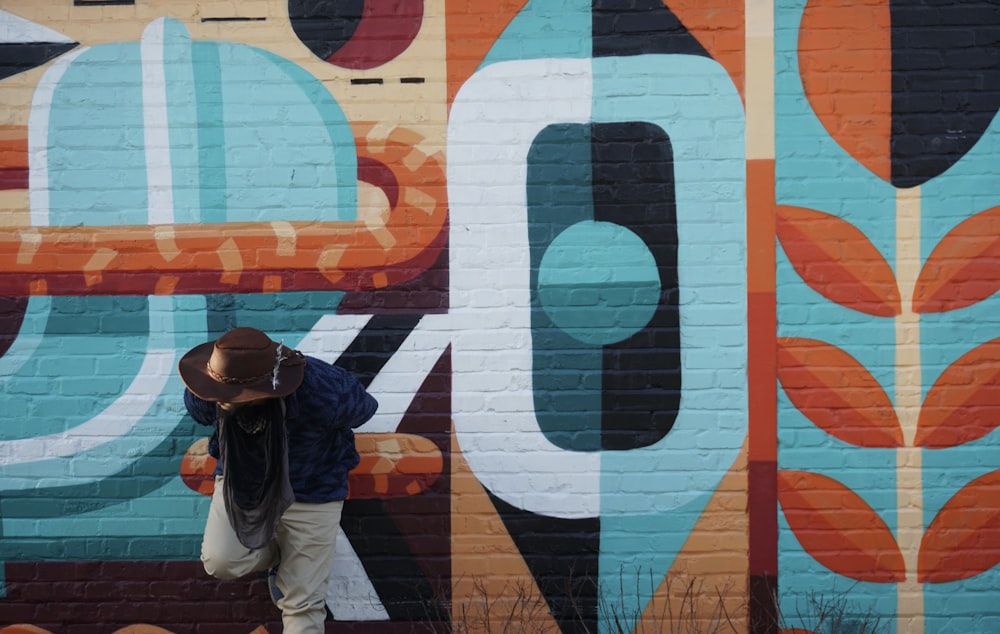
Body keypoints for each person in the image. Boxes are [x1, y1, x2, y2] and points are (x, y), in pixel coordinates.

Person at [178, 326, 377, 633]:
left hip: (312, 491)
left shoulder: (322, 389)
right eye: (228, 395)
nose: (233, 400)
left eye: (243, 396)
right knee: (221, 561)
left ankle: (295, 564)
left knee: (303, 604)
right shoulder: (208, 391)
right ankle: (282, 556)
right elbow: (201, 413)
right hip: (243, 487)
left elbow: (364, 408)